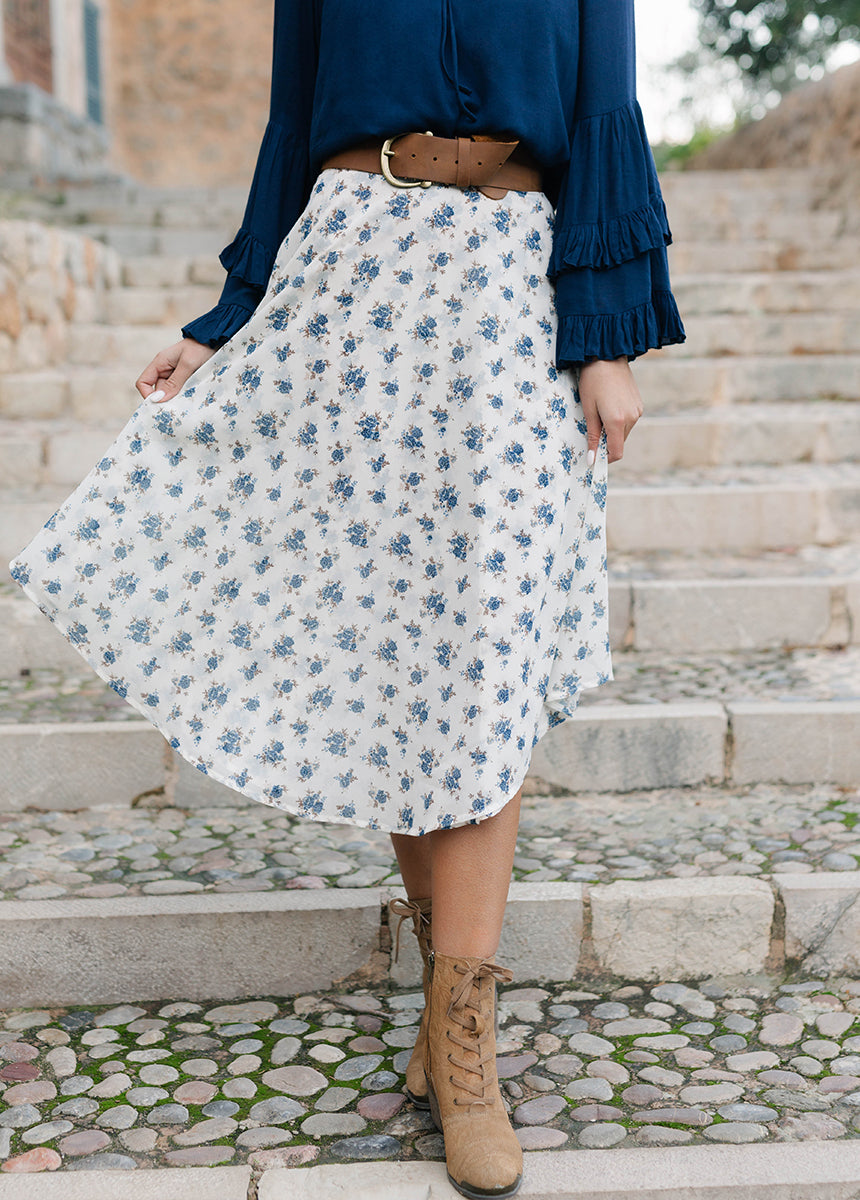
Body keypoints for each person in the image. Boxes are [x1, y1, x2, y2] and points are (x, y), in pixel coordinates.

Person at [9, 0, 684, 1194]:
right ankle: (444, 1002)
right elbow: (288, 116)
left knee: (479, 649)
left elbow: (601, 109)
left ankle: (464, 1044)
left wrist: (607, 334)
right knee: (395, 643)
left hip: (506, 286)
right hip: (347, 279)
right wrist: (228, 318)